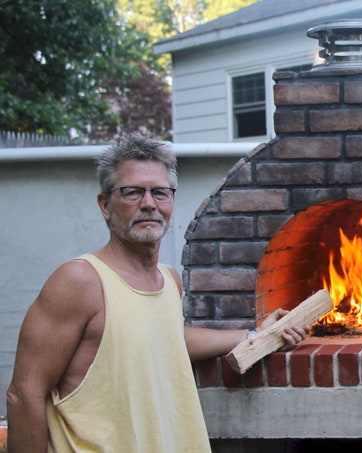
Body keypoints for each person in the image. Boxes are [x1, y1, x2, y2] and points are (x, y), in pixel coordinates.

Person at [6, 132, 309, 452]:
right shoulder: (80, 281)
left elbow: (164, 339)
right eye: (132, 192)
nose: (149, 203)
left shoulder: (169, 280)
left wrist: (255, 333)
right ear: (105, 205)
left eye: (160, 192)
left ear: (172, 202)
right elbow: (24, 394)